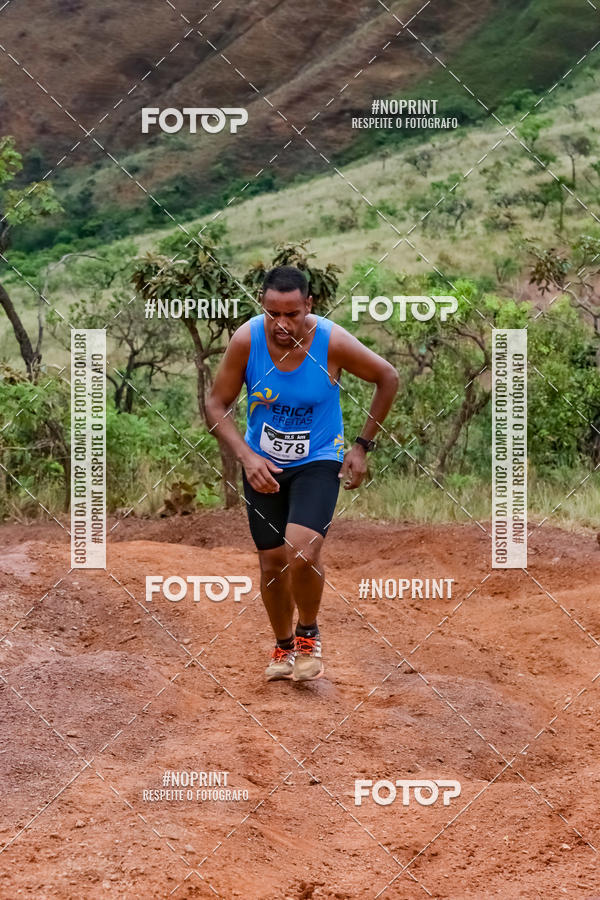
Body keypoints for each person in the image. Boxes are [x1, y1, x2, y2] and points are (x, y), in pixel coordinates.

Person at [206, 265, 398, 682]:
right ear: (263, 305)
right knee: (272, 562)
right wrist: (246, 457)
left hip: (318, 459)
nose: (282, 324)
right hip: (263, 465)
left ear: (308, 306)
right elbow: (216, 405)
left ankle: (308, 635)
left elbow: (388, 377)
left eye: (292, 313)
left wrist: (362, 447)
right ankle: (282, 645)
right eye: (273, 312)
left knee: (302, 552)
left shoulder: (332, 342)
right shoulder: (247, 340)